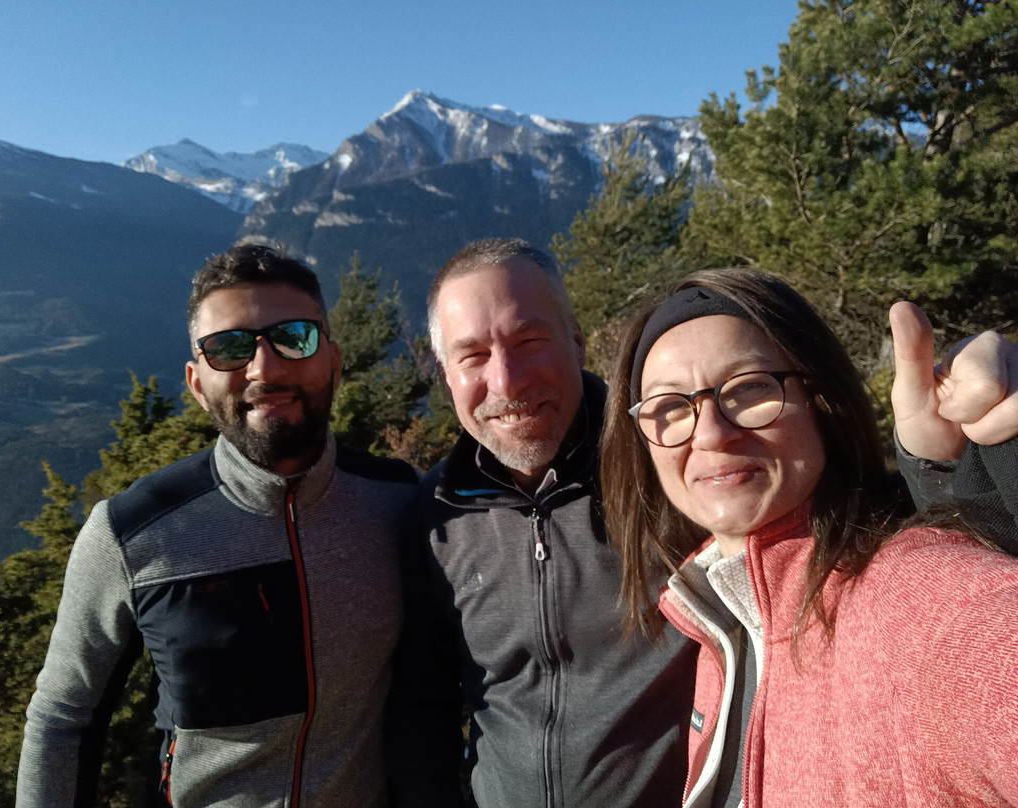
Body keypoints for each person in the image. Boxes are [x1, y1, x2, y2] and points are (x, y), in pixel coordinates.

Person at [399, 238, 1018, 808]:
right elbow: (422, 714)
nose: (712, 434)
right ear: (443, 371)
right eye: (472, 355)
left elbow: (903, 566)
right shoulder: (435, 519)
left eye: (530, 340)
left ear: (577, 341)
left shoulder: (662, 479)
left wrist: (968, 467)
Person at [17, 244, 419, 808]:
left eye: (294, 337)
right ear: (196, 382)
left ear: (334, 359)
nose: (265, 368)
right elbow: (64, 718)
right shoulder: (131, 535)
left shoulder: (402, 503)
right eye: (229, 348)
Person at [600, 267, 1018, 807]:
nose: (709, 433)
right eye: (670, 407)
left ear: (822, 402)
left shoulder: (933, 607)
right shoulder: (723, 626)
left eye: (749, 388)